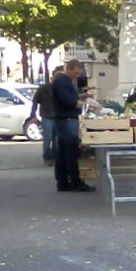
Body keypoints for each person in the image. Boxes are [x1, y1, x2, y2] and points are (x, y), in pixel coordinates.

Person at [51, 60, 92, 192]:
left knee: (63, 152)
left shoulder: (65, 81)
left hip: (65, 120)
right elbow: (68, 101)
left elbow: (69, 97)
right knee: (71, 152)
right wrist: (87, 105)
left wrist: (81, 96)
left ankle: (63, 182)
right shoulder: (62, 81)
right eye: (75, 72)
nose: (77, 75)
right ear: (69, 69)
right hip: (67, 120)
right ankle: (74, 181)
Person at [28, 68, 59, 164]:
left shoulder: (62, 89)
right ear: (52, 77)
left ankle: (55, 157)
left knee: (57, 139)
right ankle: (47, 157)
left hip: (58, 117)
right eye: (57, 77)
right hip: (47, 117)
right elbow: (35, 101)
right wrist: (33, 115)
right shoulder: (44, 88)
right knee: (48, 137)